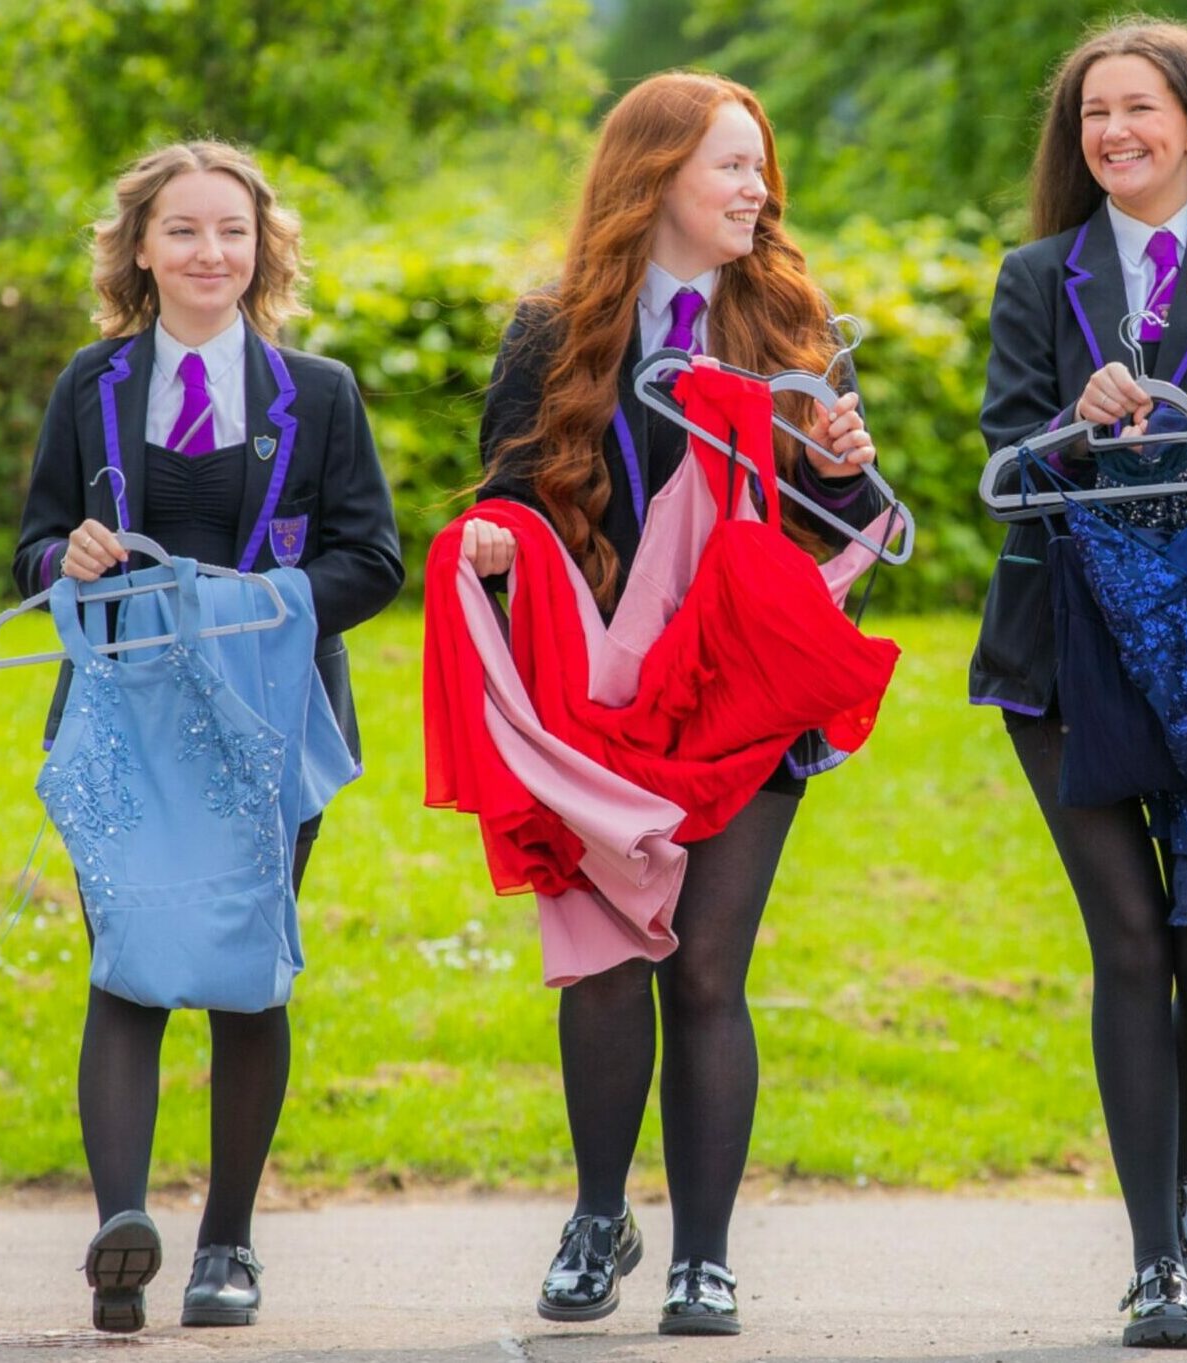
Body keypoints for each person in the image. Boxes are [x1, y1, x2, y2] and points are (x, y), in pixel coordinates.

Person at [459, 71, 885, 1337]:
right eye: (730, 167)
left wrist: (844, 475)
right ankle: (600, 1213)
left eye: (762, 168)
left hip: (745, 702)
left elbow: (850, 531)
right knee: (602, 971)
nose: (757, 190)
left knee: (705, 968)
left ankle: (704, 1254)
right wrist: (491, 544)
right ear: (654, 179)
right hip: (593, 701)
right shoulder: (553, 331)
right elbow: (508, 496)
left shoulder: (791, 321)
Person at [968, 18, 1187, 1348]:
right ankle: (1156, 1258)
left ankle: (1176, 1164)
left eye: (1139, 109)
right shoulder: (1036, 273)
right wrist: (1075, 424)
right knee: (1129, 942)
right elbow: (1006, 452)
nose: (1113, 132)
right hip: (1063, 652)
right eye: (1093, 115)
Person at [12, 139, 402, 1333]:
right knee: (126, 963)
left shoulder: (320, 395)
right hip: (123, 727)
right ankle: (122, 1227)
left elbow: (373, 561)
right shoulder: (90, 386)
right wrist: (63, 558)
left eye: (230, 231)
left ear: (261, 247)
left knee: (244, 971)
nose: (208, 252)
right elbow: (30, 548)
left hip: (267, 727)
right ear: (140, 247)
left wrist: (260, 607)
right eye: (182, 230)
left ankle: (227, 1244)